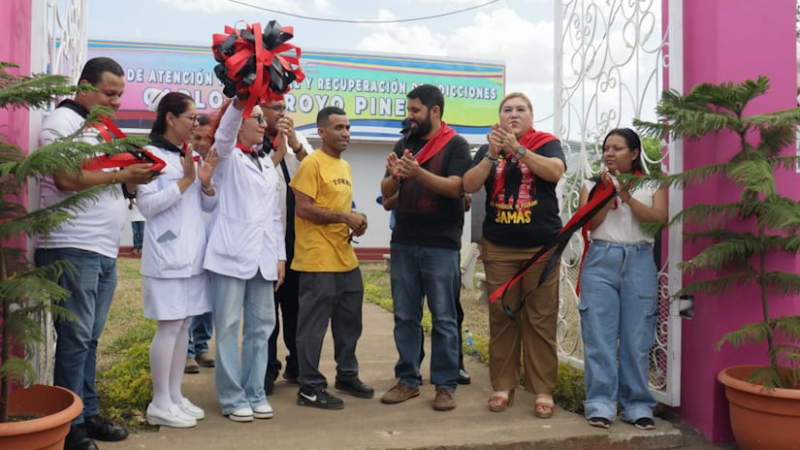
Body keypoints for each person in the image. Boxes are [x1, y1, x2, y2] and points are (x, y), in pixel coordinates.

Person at [34, 57, 156, 450]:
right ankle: (68, 429)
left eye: (120, 94)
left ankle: (86, 413)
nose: (117, 101)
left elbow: (106, 177)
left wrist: (136, 176)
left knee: (89, 339)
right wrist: (123, 175)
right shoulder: (63, 123)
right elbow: (65, 178)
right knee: (74, 338)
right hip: (70, 246)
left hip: (102, 248)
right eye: (109, 93)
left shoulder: (101, 129)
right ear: (84, 86)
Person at [462, 92, 566, 418]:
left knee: (540, 318)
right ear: (500, 116)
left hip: (541, 249)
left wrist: (519, 150)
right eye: (507, 109)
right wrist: (492, 156)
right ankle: (503, 385)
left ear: (531, 116)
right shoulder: (488, 147)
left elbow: (554, 171)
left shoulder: (546, 142)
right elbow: (468, 183)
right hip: (500, 248)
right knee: (503, 317)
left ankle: (542, 390)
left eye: (521, 109)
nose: (513, 114)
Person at [379, 84, 471, 411]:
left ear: (435, 111)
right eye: (410, 109)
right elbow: (387, 188)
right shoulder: (406, 142)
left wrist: (419, 173)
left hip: (441, 244)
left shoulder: (457, 145)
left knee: (444, 318)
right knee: (405, 316)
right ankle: (408, 379)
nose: (411, 116)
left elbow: (458, 188)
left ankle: (445, 386)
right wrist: (395, 174)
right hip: (404, 241)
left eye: (416, 110)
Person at [137, 92, 218, 428]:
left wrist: (206, 184)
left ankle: (174, 395)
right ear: (170, 118)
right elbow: (147, 207)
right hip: (166, 255)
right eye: (191, 118)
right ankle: (159, 401)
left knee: (183, 325)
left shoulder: (189, 155)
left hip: (191, 255)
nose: (195, 124)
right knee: (169, 326)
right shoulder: (149, 155)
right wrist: (184, 182)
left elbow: (207, 206)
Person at [578, 128, 666, 430]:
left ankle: (637, 405)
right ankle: (600, 404)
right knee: (599, 338)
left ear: (634, 153)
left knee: (636, 339)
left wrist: (625, 195)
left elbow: (658, 218)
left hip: (639, 261)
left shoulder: (652, 184)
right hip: (602, 260)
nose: (609, 153)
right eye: (606, 148)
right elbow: (588, 224)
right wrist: (606, 193)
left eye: (617, 148)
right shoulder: (592, 185)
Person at [203, 99, 285, 422]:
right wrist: (240, 99)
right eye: (258, 119)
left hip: (263, 259)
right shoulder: (226, 157)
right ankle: (231, 396)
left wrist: (280, 256)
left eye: (265, 119)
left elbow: (275, 217)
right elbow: (223, 134)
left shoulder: (266, 163)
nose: (264, 124)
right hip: (230, 255)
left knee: (261, 328)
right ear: (239, 123)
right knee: (227, 327)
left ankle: (255, 392)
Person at [290, 106, 372, 410]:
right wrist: (343, 217)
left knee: (350, 323)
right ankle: (309, 387)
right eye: (338, 128)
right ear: (322, 132)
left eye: (348, 127)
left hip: (345, 259)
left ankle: (347, 375)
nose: (346, 133)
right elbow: (304, 208)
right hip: (317, 260)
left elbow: (343, 211)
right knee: (312, 329)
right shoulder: (311, 164)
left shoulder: (345, 167)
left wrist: (356, 222)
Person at [261, 97, 313, 395]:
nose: (283, 114)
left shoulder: (297, 137)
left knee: (295, 306)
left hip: (294, 238)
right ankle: (267, 369)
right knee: (266, 309)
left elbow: (315, 170)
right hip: (265, 239)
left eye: (284, 108)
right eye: (276, 108)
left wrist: (294, 143)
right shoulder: (251, 138)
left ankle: (296, 365)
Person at [185, 114, 216, 374]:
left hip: (215, 239)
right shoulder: (185, 162)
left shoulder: (222, 163)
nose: (203, 143)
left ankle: (202, 345)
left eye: (208, 138)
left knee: (208, 295)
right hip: (189, 240)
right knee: (187, 294)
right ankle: (186, 350)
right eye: (198, 138)